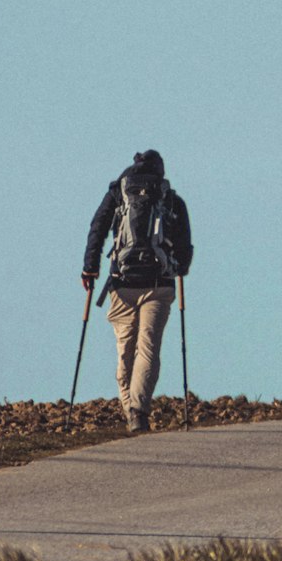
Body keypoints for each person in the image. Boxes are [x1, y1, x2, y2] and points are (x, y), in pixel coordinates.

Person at [81, 149, 193, 434]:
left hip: (122, 284)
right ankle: (138, 412)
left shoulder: (118, 194)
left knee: (125, 351)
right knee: (148, 349)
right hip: (159, 284)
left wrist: (89, 268)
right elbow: (185, 243)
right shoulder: (171, 199)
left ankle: (130, 411)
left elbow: (98, 227)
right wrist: (181, 267)